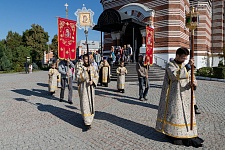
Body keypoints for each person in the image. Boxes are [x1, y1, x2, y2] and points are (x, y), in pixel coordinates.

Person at [155, 47, 204, 148]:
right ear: (177, 56)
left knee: (186, 115)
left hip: (186, 95)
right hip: (174, 95)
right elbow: (175, 75)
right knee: (176, 115)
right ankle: (173, 134)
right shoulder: (170, 65)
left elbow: (192, 76)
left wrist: (193, 83)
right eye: (182, 58)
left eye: (186, 58)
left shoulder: (187, 65)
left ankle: (187, 133)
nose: (184, 60)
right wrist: (188, 67)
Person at [76, 54, 99, 131]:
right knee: (85, 104)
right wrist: (86, 71)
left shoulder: (92, 67)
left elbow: (96, 76)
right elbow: (78, 77)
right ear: (83, 60)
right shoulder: (80, 68)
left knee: (91, 104)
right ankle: (87, 122)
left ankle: (90, 119)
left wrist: (93, 81)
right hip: (84, 89)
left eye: (88, 59)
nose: (87, 61)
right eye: (85, 59)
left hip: (91, 89)